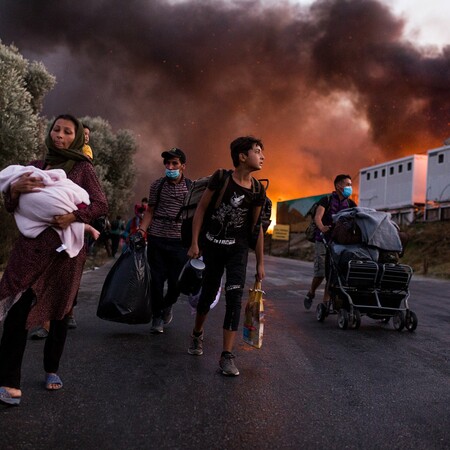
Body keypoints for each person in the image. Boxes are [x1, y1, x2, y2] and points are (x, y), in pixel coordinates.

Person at [0, 114, 108, 406]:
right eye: (56, 129)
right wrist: (14, 191)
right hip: (30, 250)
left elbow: (101, 204)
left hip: (65, 255)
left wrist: (73, 216)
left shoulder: (82, 168)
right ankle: (9, 383)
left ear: (76, 138)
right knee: (17, 315)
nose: (60, 134)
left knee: (59, 311)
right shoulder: (34, 167)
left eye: (67, 131)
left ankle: (51, 368)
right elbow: (11, 204)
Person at [187, 136, 266, 377]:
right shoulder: (221, 178)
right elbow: (201, 209)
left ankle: (227, 356)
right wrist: (194, 242)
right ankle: (197, 334)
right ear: (242, 156)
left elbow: (256, 227)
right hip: (212, 247)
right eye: (257, 151)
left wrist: (260, 262)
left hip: (237, 251)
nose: (262, 156)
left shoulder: (257, 189)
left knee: (234, 299)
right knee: (208, 296)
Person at [138, 147, 191, 334]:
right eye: (167, 163)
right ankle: (157, 316)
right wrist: (141, 230)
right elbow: (150, 211)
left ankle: (168, 304)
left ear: (183, 166)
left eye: (174, 163)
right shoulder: (157, 185)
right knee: (157, 280)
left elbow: (194, 217)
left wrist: (196, 242)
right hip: (157, 239)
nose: (170, 166)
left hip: (179, 242)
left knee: (177, 283)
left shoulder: (191, 188)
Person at [304, 174, 357, 310]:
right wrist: (322, 228)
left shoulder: (351, 204)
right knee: (321, 272)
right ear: (338, 186)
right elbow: (318, 217)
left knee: (333, 273)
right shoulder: (326, 200)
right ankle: (311, 292)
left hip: (339, 242)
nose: (350, 187)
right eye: (348, 184)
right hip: (323, 240)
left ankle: (326, 302)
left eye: (351, 184)